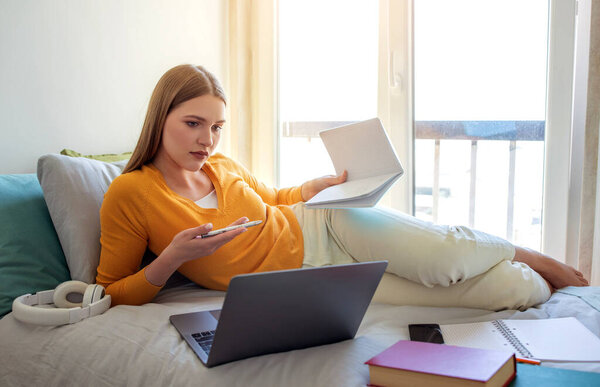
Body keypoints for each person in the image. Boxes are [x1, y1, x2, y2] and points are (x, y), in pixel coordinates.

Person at [96, 64, 588, 309]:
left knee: (447, 259)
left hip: (326, 227)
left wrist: (317, 187)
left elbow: (274, 201)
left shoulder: (221, 166)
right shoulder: (131, 194)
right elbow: (109, 291)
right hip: (307, 284)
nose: (208, 139)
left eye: (217, 126)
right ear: (161, 117)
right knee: (506, 290)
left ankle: (527, 251)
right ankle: (527, 274)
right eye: (194, 123)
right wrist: (170, 261)